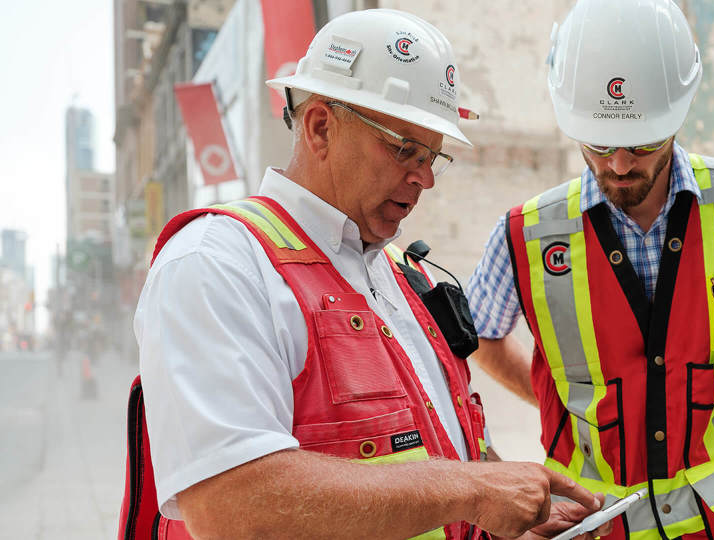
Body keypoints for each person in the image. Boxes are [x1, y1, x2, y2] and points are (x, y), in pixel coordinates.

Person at [118, 9, 612, 540]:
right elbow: (232, 503)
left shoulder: (401, 277)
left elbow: (444, 447)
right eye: (404, 149)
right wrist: (474, 490)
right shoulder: (217, 264)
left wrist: (508, 515)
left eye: (432, 156)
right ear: (320, 127)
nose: (424, 177)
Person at [465, 1, 714, 539]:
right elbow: (482, 337)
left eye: (643, 142)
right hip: (605, 526)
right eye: (599, 143)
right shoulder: (525, 235)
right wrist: (562, 403)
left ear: (679, 112)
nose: (620, 164)